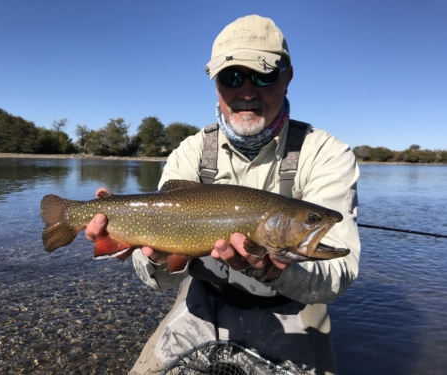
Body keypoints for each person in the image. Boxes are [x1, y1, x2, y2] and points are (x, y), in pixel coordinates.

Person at [86, 14, 360, 375]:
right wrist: (155, 257)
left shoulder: (326, 154)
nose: (246, 91)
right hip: (204, 299)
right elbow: (156, 280)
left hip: (293, 306)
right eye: (231, 77)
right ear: (216, 84)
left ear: (287, 77)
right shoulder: (190, 152)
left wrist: (277, 273)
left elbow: (340, 272)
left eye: (262, 75)